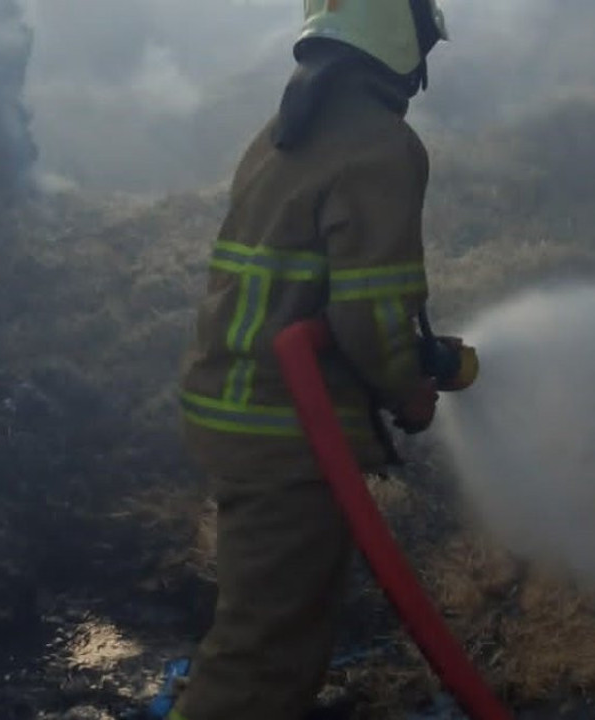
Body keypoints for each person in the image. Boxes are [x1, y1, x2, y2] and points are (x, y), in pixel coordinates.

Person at [172, 2, 454, 718]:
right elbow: (373, 310)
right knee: (261, 659)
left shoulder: (283, 133)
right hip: (286, 430)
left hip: (237, 405)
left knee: (277, 634)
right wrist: (406, 390)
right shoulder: (381, 147)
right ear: (400, 42)